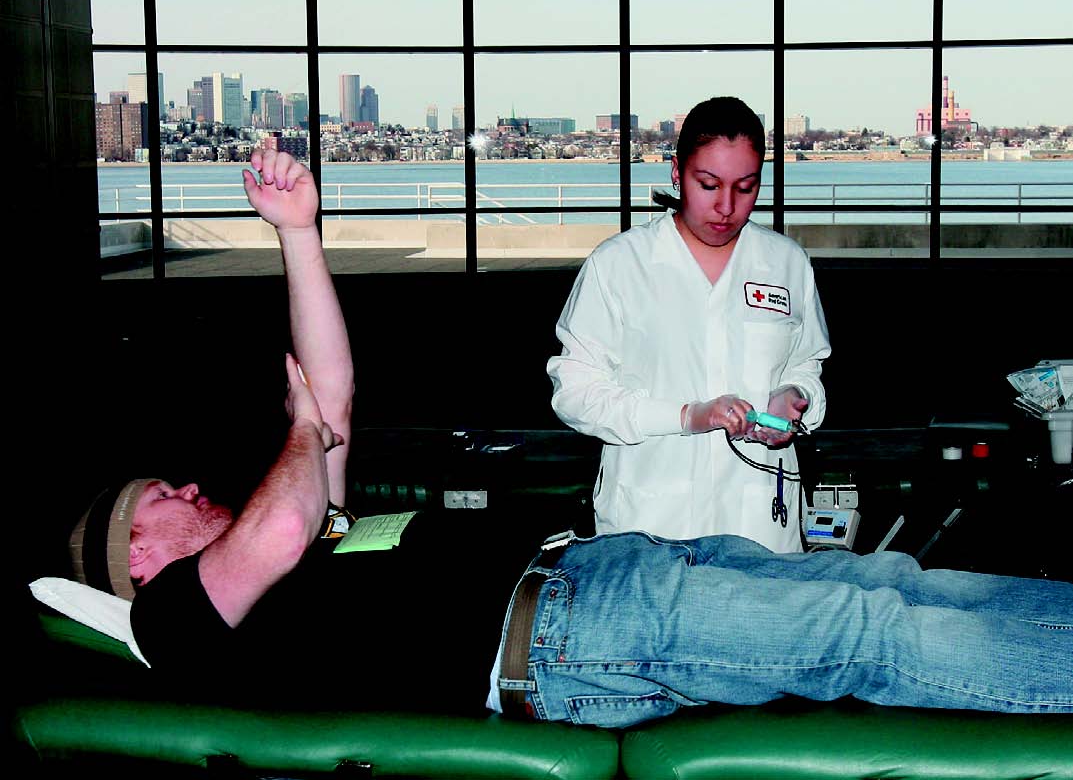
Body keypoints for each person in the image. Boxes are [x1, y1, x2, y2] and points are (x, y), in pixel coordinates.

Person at [66, 150, 1072, 730]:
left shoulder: (306, 542)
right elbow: (284, 512)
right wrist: (298, 431)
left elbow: (330, 394)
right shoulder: (178, 619)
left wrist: (297, 233)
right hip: (564, 631)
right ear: (136, 557)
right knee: (865, 633)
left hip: (600, 568)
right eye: (161, 495)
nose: (187, 485)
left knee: (883, 582)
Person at [546, 96, 831, 551]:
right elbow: (576, 394)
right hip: (651, 522)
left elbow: (807, 364)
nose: (726, 206)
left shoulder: (786, 263)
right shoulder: (619, 265)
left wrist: (793, 396)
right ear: (677, 172)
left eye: (745, 187)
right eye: (708, 184)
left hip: (761, 521)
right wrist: (685, 417)